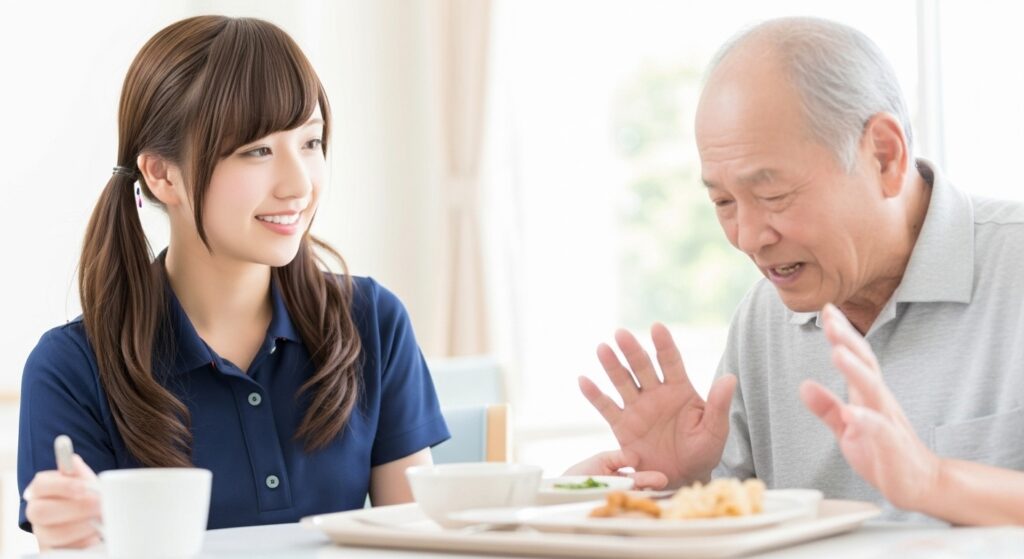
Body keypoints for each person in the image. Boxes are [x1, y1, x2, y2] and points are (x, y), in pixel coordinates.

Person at [570, 16, 1024, 525]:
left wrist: (934, 481)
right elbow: (737, 534)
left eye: (773, 195)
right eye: (723, 201)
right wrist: (682, 486)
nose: (746, 238)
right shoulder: (762, 321)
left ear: (883, 155)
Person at [18, 16, 449, 550]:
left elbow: (417, 543)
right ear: (161, 174)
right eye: (257, 151)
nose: (298, 185)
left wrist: (563, 506)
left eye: (310, 142)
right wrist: (74, 540)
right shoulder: (72, 369)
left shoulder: (372, 320)